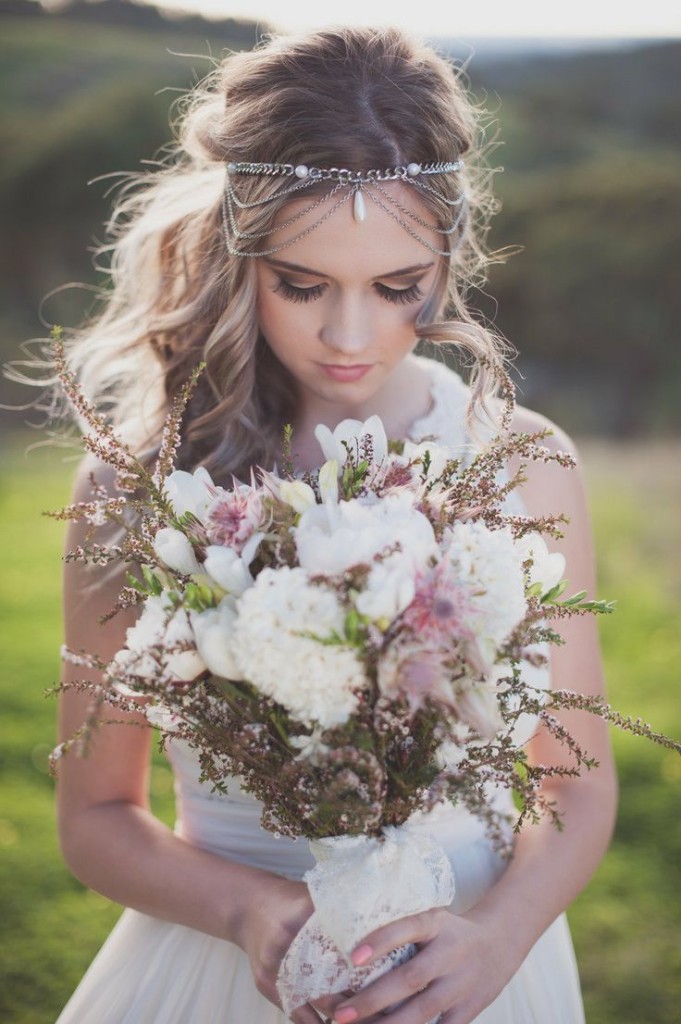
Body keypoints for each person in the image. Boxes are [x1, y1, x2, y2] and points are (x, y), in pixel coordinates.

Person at [53, 25, 617, 1024]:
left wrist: (497, 938)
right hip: (227, 971)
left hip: (471, 967)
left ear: (450, 252)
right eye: (302, 285)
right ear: (240, 255)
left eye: (398, 287)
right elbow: (96, 813)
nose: (350, 335)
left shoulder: (521, 463)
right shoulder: (142, 483)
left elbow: (574, 788)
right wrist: (248, 910)